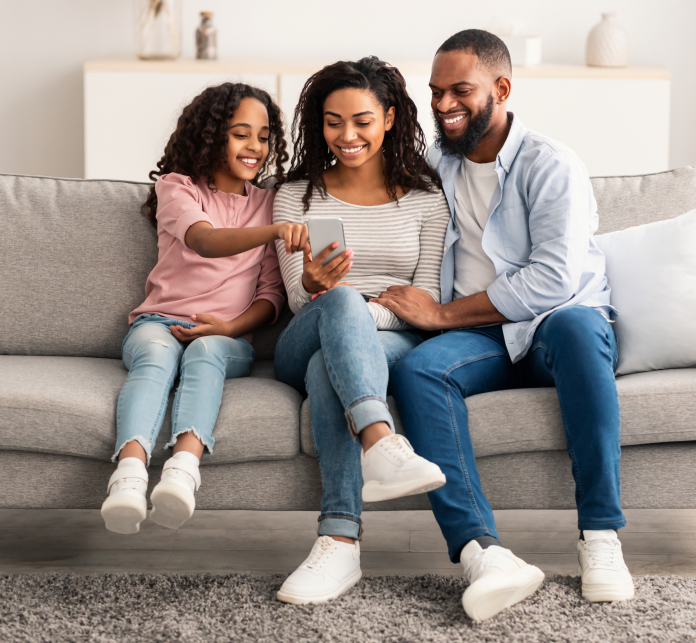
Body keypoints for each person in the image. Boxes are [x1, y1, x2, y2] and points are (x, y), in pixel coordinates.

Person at [372, 30, 635, 621]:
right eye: (436, 92)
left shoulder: (551, 164)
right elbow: (369, 189)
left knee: (573, 326)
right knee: (419, 369)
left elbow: (553, 281)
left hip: (554, 327)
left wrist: (439, 313)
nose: (443, 106)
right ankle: (480, 550)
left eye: (460, 91)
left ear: (502, 88)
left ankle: (601, 535)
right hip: (481, 337)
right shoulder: (436, 165)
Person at [272, 56, 451, 604]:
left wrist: (359, 313)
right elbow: (304, 303)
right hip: (304, 337)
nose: (345, 136)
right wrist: (320, 286)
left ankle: (340, 541)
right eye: (332, 121)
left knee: (336, 364)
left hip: (390, 338)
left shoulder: (427, 197)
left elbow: (426, 302)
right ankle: (380, 440)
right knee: (337, 305)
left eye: (362, 121)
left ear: (391, 118)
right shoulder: (295, 196)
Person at [101, 83, 306, 535]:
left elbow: (272, 298)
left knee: (206, 352)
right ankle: (129, 478)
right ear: (212, 135)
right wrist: (272, 231)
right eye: (241, 133)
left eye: (264, 135)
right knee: (155, 357)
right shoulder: (178, 188)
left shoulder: (269, 204)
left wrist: (230, 326)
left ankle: (182, 471)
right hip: (158, 321)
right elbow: (204, 239)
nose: (255, 146)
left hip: (225, 335)